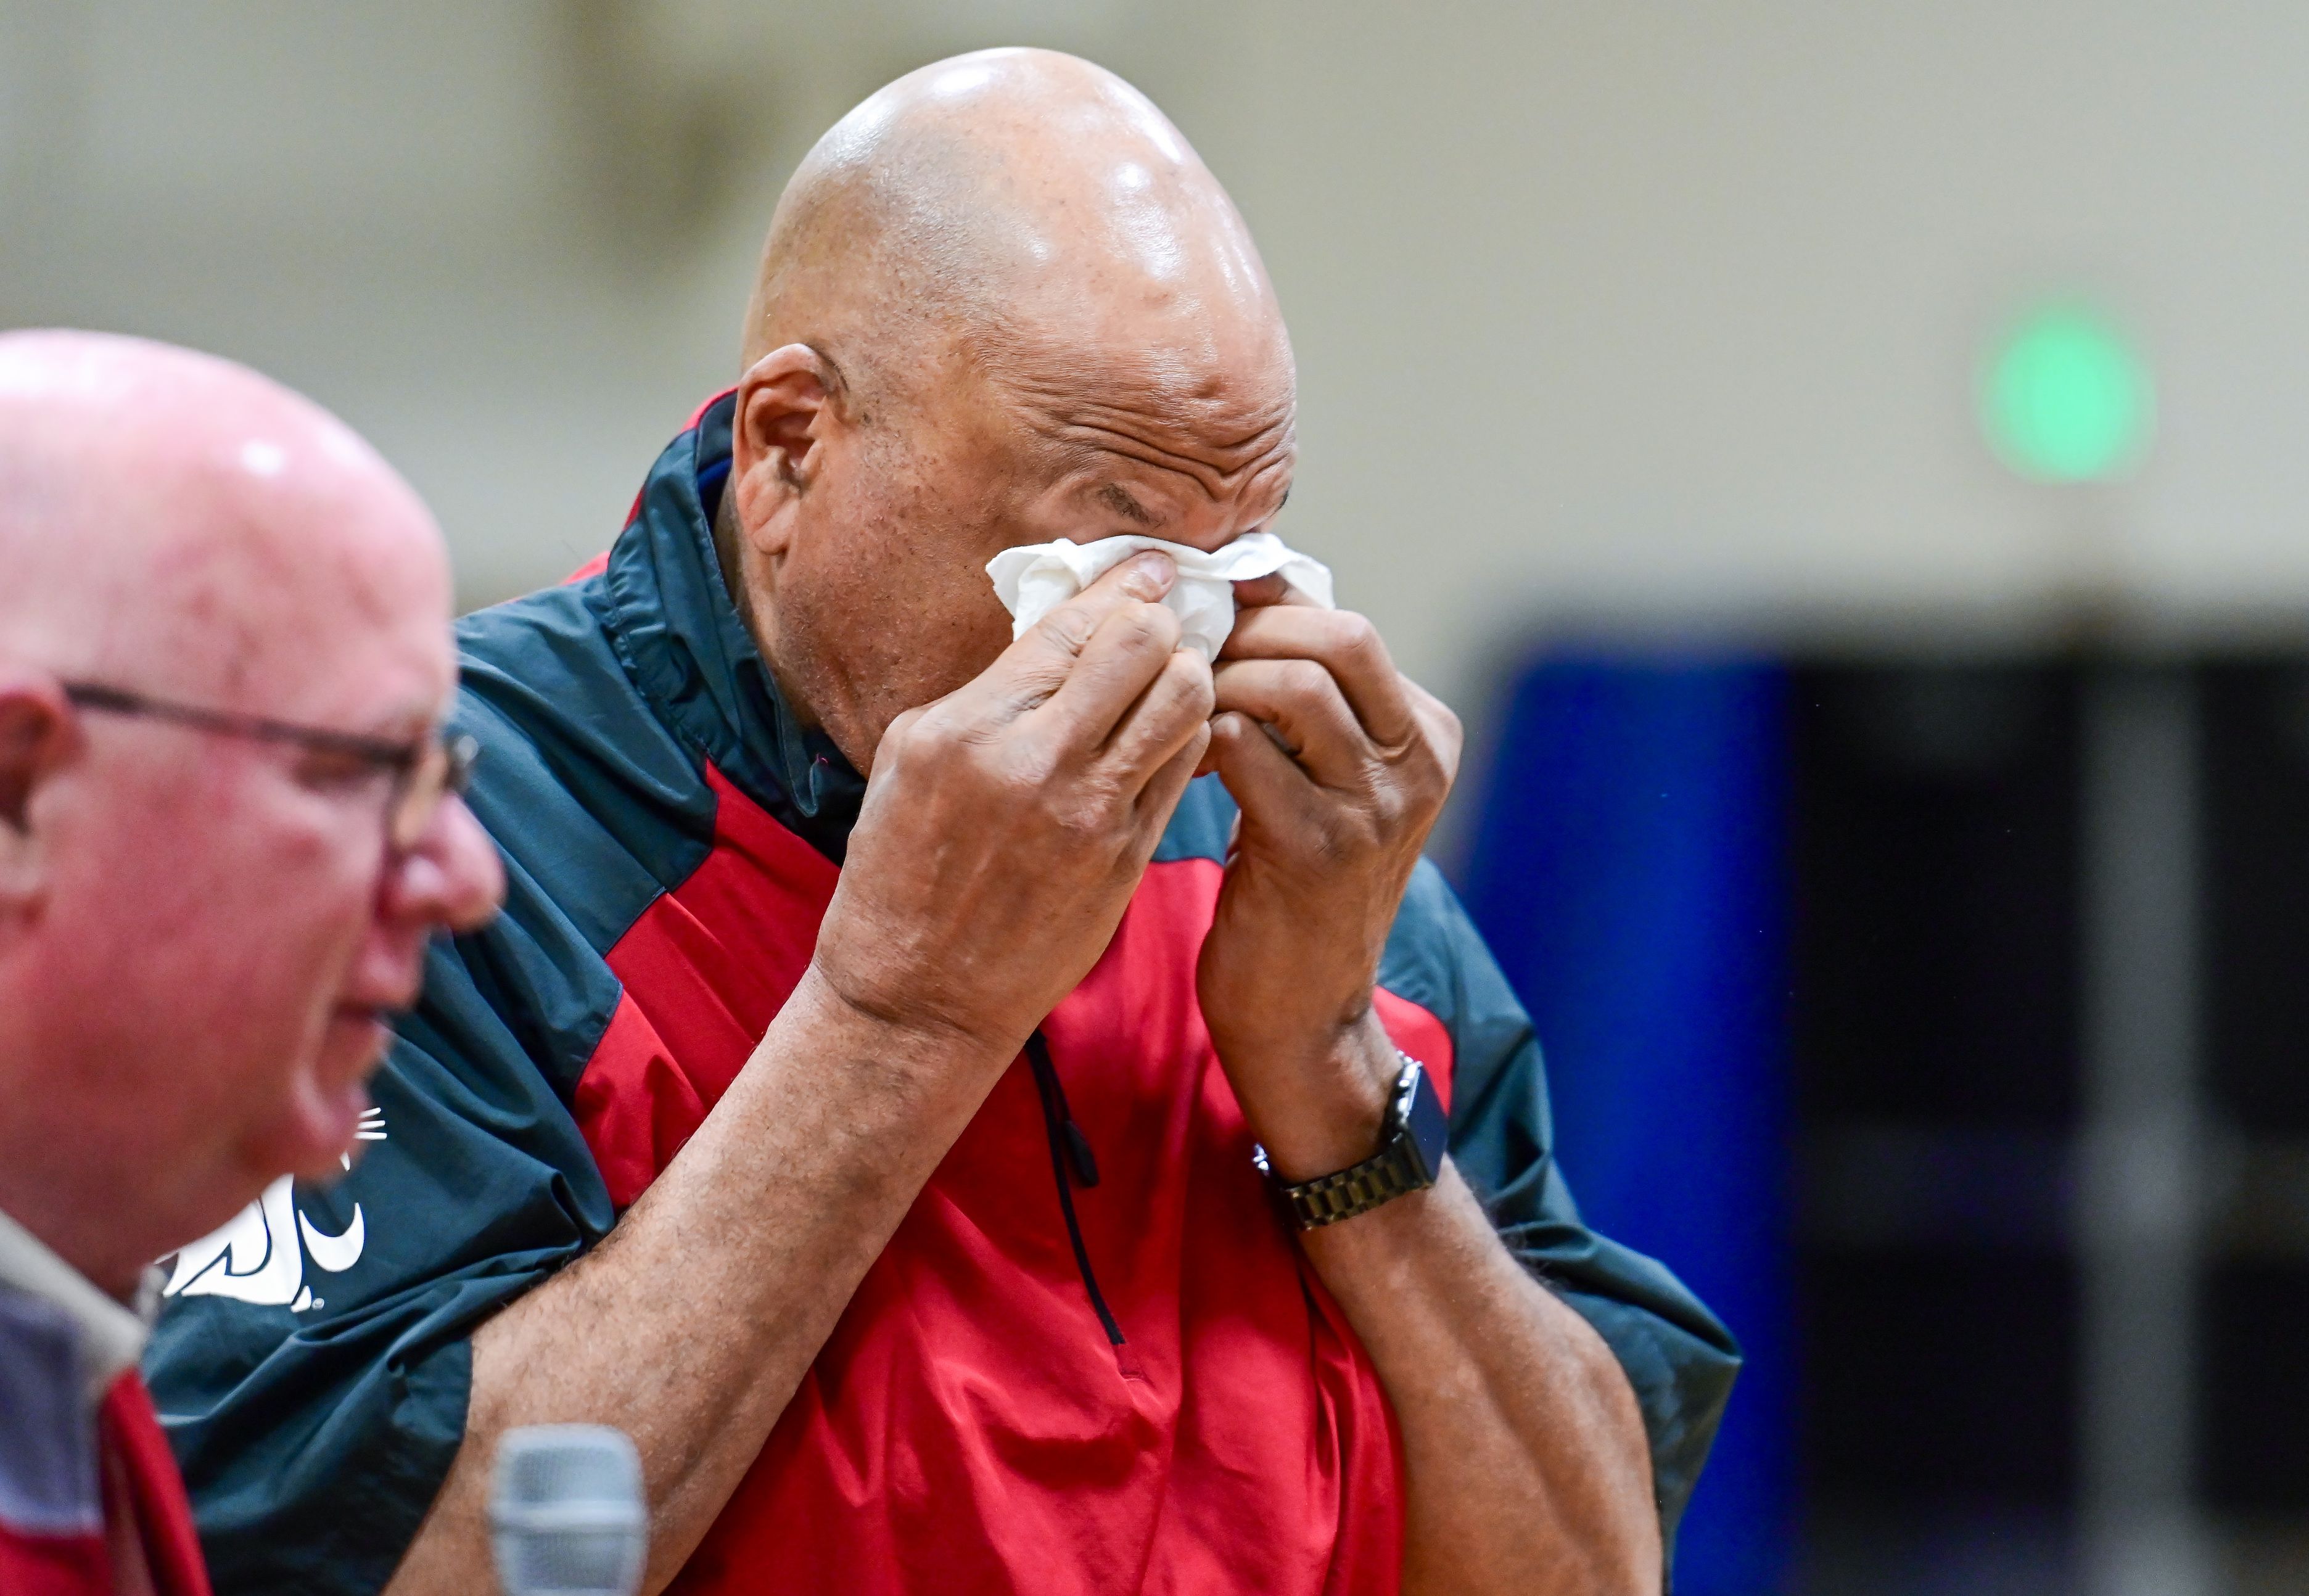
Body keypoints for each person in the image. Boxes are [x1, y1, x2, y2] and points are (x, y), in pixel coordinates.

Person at [149, 49, 1739, 1596]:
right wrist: (896, 1017)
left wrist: (1327, 1067)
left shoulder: (1290, 844)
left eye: (1239, 546)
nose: (1176, 642)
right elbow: (354, 1556)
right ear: (791, 446)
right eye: (1104, 543)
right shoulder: (426, 841)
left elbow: (1592, 1563)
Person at [0, 331, 504, 1595]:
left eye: (445, 778)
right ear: (15, 790)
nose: (467, 875)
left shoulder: (68, 1351)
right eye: (364, 770)